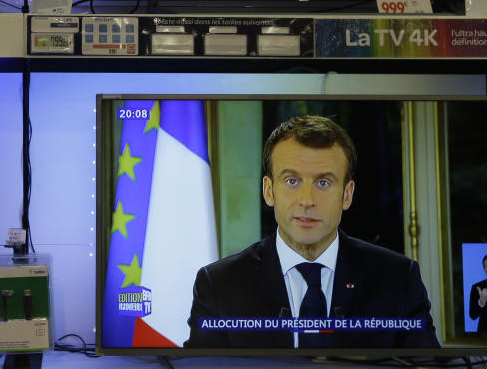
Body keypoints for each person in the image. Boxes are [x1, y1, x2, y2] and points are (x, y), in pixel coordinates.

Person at [185, 114, 439, 349]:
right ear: (269, 191)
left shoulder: (397, 279)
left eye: (323, 182)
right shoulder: (220, 285)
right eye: (292, 181)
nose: (307, 200)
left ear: (347, 194)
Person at [469, 254, 487, 334]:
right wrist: (481, 303)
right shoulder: (476, 287)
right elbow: (473, 315)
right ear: (484, 269)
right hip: (484, 335)